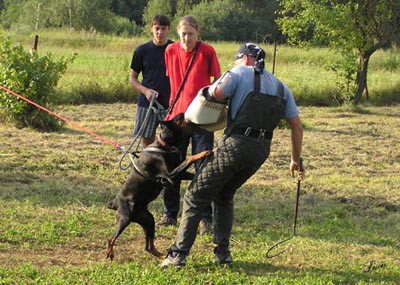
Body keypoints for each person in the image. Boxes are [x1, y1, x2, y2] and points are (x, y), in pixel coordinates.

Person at [161, 43, 304, 268]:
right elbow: (296, 126)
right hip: (260, 151)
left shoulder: (238, 73)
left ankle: (177, 254)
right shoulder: (280, 87)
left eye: (237, 60)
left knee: (195, 195)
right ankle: (223, 254)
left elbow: (213, 94)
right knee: (225, 194)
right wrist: (295, 160)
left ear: (245, 59)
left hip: (235, 146)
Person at [156, 15, 221, 235]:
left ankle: (205, 218)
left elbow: (217, 81)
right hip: (177, 118)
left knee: (203, 167)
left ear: (198, 33)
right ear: (178, 33)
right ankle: (170, 213)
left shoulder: (207, 51)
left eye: (190, 34)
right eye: (183, 34)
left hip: (202, 118)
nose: (186, 38)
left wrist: (212, 107)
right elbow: (172, 81)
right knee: (172, 166)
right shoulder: (170, 51)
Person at [130, 15, 173, 147]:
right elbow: (132, 79)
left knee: (171, 140)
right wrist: (146, 91)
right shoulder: (141, 50)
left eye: (163, 29)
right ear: (151, 29)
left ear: (168, 29)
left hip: (170, 103)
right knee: (146, 140)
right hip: (147, 103)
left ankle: (167, 166)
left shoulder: (175, 49)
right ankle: (148, 165)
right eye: (157, 28)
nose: (160, 32)